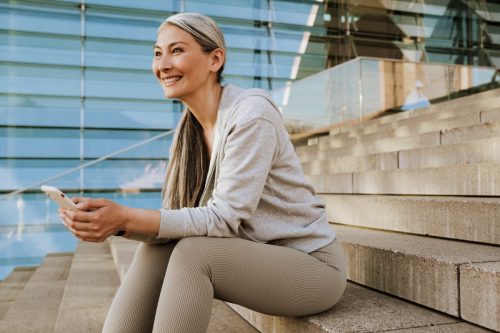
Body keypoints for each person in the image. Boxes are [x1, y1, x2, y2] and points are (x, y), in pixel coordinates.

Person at [59, 12, 347, 333]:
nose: (163, 64)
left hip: (311, 267)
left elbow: (222, 219)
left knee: (194, 253)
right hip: (252, 255)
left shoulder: (252, 114)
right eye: (157, 53)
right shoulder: (188, 134)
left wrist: (126, 217)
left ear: (215, 60)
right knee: (159, 246)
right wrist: (110, 223)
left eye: (177, 50)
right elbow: (174, 221)